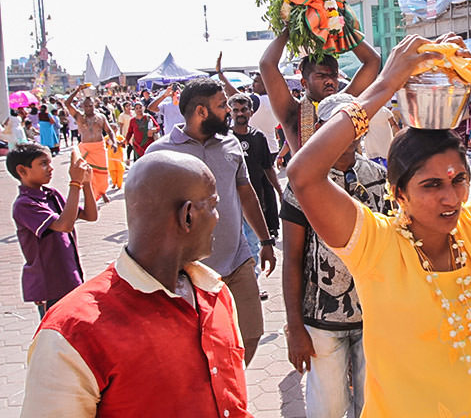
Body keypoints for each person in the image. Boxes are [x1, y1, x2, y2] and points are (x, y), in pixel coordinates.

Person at [286, 34, 471, 417]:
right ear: (398, 193)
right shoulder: (376, 244)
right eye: (431, 185)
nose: (451, 198)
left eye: (458, 180)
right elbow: (303, 174)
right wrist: (384, 86)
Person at [21, 151, 252, 417]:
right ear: (187, 216)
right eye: (213, 204)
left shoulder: (215, 294)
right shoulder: (70, 333)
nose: (218, 217)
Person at [147, 78, 276, 365]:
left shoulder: (231, 143)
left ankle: (230, 385)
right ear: (201, 112)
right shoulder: (160, 153)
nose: (229, 110)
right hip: (187, 273)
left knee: (250, 334)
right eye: (222, 106)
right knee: (195, 349)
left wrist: (266, 240)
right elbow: (147, 215)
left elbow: (246, 191)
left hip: (238, 261)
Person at [282, 93, 388, 418]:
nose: (344, 136)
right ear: (320, 130)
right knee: (327, 409)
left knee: (372, 406)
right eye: (333, 126)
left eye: (349, 126)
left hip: (374, 316)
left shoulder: (379, 177)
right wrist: (295, 328)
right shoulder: (302, 185)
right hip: (321, 322)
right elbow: (292, 257)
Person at [8, 143, 96, 319]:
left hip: (70, 276)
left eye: (50, 162)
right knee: (56, 337)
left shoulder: (51, 195)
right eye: (43, 164)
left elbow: (90, 215)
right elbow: (65, 225)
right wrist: (75, 183)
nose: (50, 168)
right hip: (51, 286)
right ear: (22, 171)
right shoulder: (25, 204)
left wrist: (86, 184)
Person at [260, 27, 381, 154]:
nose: (330, 81)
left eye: (333, 75)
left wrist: (340, 24)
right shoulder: (292, 112)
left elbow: (373, 60)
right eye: (321, 76)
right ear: (304, 83)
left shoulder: (346, 103)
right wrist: (288, 29)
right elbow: (266, 64)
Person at [228, 93, 283, 247]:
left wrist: (279, 191)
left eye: (244, 109)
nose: (240, 113)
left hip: (253, 200)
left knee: (252, 245)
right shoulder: (224, 139)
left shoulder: (258, 137)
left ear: (251, 112)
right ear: (230, 112)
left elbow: (268, 168)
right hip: (230, 201)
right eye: (236, 110)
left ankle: (253, 272)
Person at [66, 85, 117, 202]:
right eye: (87, 106)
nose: (89, 108)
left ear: (94, 105)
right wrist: (77, 90)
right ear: (83, 107)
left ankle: (102, 192)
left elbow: (109, 131)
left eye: (91, 105)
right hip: (86, 148)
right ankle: (92, 195)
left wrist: (113, 142)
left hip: (99, 147)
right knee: (88, 173)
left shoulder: (101, 117)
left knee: (103, 173)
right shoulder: (79, 116)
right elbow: (67, 103)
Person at [106, 125, 125, 190]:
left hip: (119, 157)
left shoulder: (120, 137)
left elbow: (124, 145)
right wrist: (108, 142)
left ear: (117, 129)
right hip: (111, 157)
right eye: (111, 128)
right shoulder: (106, 138)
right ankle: (114, 183)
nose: (113, 130)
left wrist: (119, 143)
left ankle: (119, 185)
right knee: (112, 171)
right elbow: (105, 145)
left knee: (120, 171)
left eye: (114, 128)